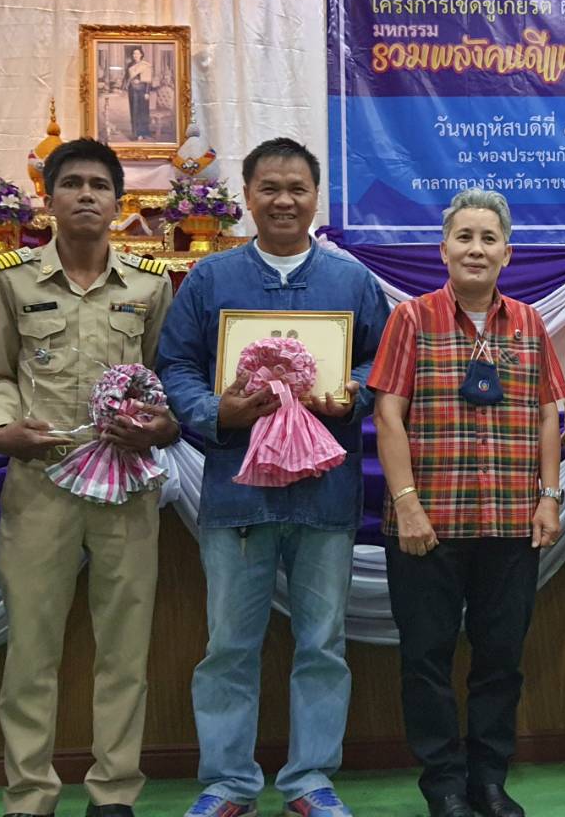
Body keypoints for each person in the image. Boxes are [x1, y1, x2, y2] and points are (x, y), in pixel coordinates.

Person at [157, 137, 389, 817]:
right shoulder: (209, 281)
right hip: (238, 491)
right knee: (229, 643)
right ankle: (228, 783)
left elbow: (383, 362)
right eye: (269, 188)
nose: (284, 200)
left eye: (297, 188)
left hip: (325, 493)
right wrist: (212, 409)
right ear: (248, 198)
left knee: (322, 642)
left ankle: (310, 779)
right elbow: (176, 366)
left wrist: (353, 392)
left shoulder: (350, 281)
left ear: (316, 197)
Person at [0, 138, 180, 817]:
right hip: (41, 484)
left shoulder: (151, 284)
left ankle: (114, 793)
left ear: (119, 202)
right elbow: (1, 375)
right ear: (49, 198)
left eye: (101, 185)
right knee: (32, 650)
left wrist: (161, 427)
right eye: (72, 184)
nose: (87, 195)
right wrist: (1, 430)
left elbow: (166, 385)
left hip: (127, 488)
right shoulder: (10, 279)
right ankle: (29, 794)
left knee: (124, 649)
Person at [369, 189, 565, 817]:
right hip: (428, 525)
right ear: (444, 249)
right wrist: (406, 504)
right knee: (426, 660)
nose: (476, 249)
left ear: (507, 253)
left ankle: (488, 780)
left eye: (489, 239)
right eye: (465, 237)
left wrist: (546, 498)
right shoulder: (412, 319)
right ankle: (445, 786)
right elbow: (388, 413)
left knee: (500, 661)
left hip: (511, 524)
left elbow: (547, 416)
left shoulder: (531, 324)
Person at [125, 47, 154, 141]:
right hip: (132, 91)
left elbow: (148, 81)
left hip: (143, 91)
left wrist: (147, 92)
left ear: (141, 54)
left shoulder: (145, 65)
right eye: (134, 54)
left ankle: (144, 132)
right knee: (134, 112)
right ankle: (136, 134)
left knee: (144, 112)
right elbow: (127, 78)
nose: (135, 55)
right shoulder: (130, 65)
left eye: (137, 53)